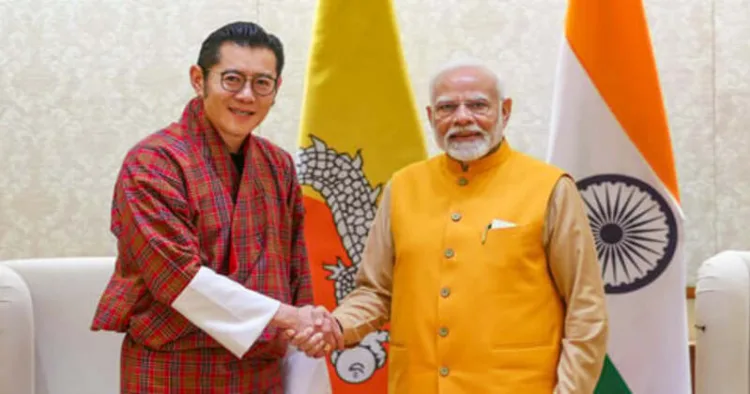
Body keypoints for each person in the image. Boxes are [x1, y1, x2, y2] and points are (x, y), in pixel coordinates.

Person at [289, 59, 609, 393]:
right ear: (431, 117)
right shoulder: (404, 186)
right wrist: (336, 325)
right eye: (447, 108)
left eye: (478, 105)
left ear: (506, 111)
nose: (462, 118)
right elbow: (376, 290)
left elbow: (585, 307)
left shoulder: (550, 188)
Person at [90, 21, 341, 393]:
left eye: (262, 83)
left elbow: (296, 268)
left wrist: (308, 333)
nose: (246, 96)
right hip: (174, 369)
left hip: (262, 371)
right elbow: (177, 277)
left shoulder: (278, 164)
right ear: (198, 79)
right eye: (232, 79)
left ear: (276, 90)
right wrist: (290, 318)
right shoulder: (153, 162)